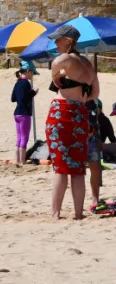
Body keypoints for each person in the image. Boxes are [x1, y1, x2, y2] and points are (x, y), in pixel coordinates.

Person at [44, 24, 99, 221]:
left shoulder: (65, 59)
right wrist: (81, 98)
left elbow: (57, 62)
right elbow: (95, 93)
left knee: (60, 166)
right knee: (77, 168)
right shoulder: (88, 64)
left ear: (68, 41)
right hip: (80, 113)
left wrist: (55, 76)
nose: (55, 43)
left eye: (58, 39)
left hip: (61, 113)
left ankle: (55, 213)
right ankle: (78, 214)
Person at [11, 60, 38, 164]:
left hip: (16, 113)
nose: (33, 75)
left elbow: (13, 98)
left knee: (19, 138)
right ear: (28, 71)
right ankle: (22, 162)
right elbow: (23, 98)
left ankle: (18, 161)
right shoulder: (25, 83)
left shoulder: (17, 82)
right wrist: (33, 93)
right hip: (24, 113)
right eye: (32, 73)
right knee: (24, 138)